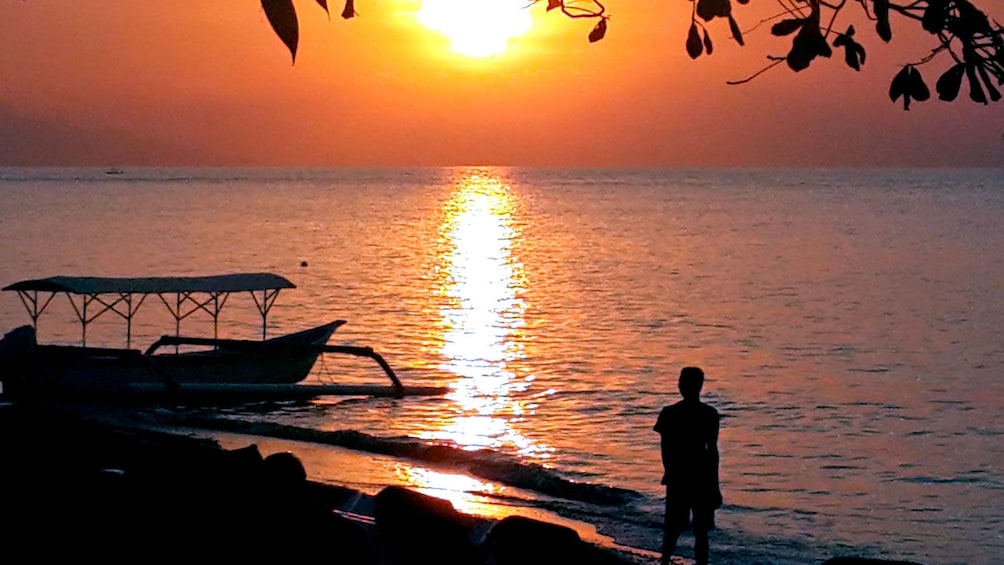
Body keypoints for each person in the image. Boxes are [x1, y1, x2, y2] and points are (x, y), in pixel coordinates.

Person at [653, 366, 721, 565]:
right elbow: (712, 452)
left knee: (683, 528)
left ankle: (666, 561)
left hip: (687, 477)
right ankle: (669, 561)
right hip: (692, 477)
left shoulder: (672, 413)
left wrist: (714, 486)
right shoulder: (707, 414)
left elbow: (666, 448)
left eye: (684, 382)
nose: (682, 386)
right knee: (689, 529)